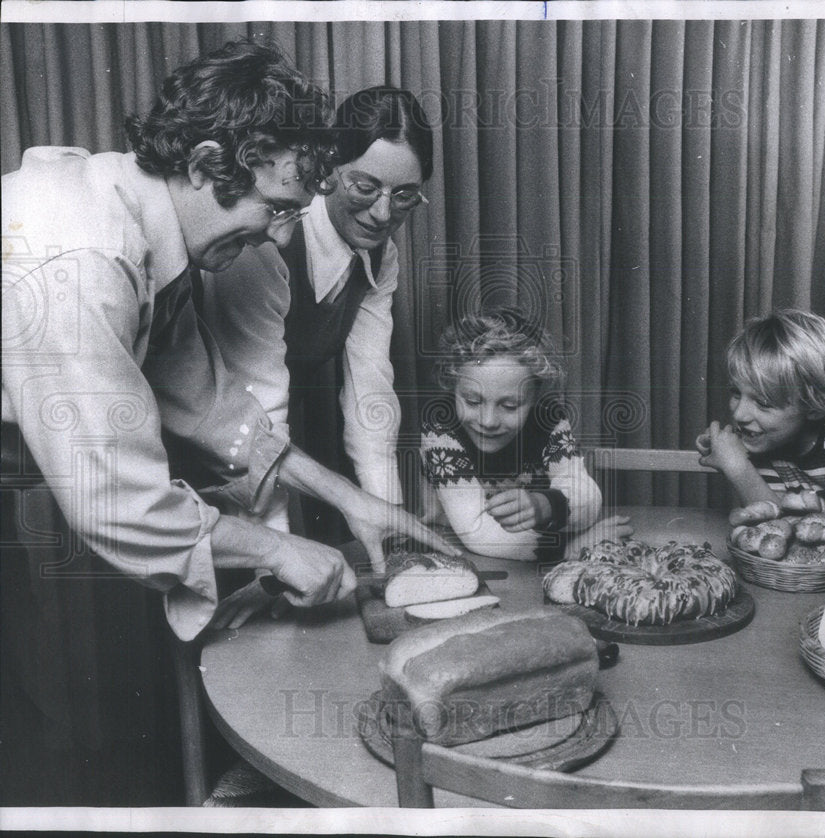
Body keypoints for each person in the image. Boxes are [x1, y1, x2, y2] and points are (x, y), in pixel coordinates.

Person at [0, 41, 450, 804]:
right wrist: (278, 546)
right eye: (275, 209)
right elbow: (117, 502)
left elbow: (210, 409)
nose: (279, 237)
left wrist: (350, 501)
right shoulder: (83, 255)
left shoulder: (149, 233)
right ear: (210, 162)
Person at [199, 86, 432, 538]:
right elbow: (260, 409)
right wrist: (279, 553)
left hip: (266, 445)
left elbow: (371, 397)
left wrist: (392, 522)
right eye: (365, 187)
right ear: (329, 167)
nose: (383, 213)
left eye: (404, 196)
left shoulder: (381, 258)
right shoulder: (270, 240)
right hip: (208, 440)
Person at [420, 309, 632, 562]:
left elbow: (586, 494)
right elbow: (476, 531)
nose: (487, 421)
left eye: (509, 406)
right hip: (458, 554)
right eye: (472, 401)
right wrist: (570, 549)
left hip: (521, 560)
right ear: (453, 386)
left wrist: (546, 504)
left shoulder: (548, 418)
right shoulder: (441, 428)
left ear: (534, 398)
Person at [696, 309, 825, 540]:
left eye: (763, 402)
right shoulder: (762, 441)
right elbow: (771, 528)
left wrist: (738, 469)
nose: (740, 414)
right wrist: (725, 453)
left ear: (814, 407)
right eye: (736, 393)